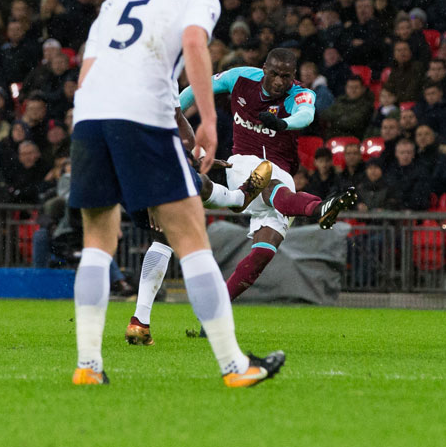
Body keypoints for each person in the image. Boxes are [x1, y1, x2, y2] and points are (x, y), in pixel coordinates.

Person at [67, 0, 284, 387]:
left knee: (96, 242)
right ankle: (234, 365)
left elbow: (86, 71)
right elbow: (193, 44)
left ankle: (88, 366)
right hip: (143, 115)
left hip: (88, 116)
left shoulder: (115, 1)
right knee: (189, 237)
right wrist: (208, 119)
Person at [128, 48, 358, 343]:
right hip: (244, 163)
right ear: (264, 68)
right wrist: (176, 113)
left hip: (281, 167)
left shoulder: (299, 95)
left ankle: (213, 312)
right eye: (274, 74)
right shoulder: (240, 78)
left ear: (293, 77)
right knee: (276, 190)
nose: (278, 81)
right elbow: (199, 90)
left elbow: (306, 115)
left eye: (286, 77)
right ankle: (317, 207)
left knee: (263, 253)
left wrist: (283, 123)